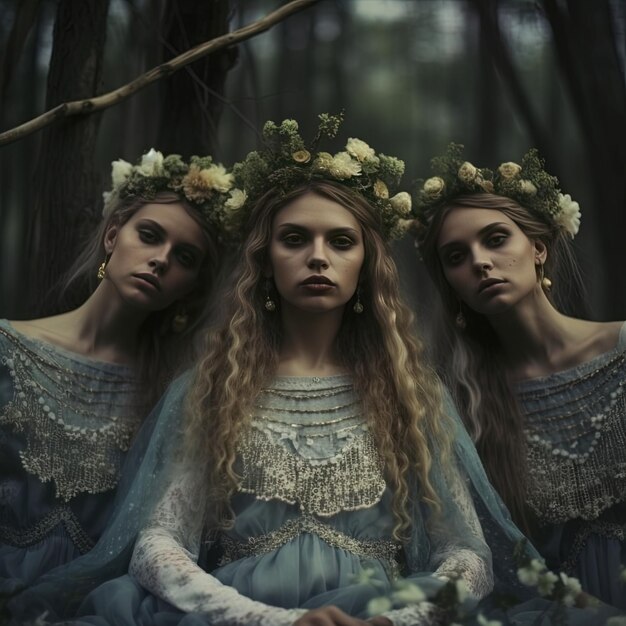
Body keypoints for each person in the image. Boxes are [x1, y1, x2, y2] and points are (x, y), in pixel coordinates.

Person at [8, 116, 551, 626]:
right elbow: (157, 545)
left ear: (367, 265)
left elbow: (468, 553)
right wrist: (272, 619)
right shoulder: (211, 387)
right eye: (295, 239)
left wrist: (400, 618)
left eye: (340, 241)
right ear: (265, 259)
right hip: (241, 612)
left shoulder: (412, 390)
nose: (318, 257)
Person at [0, 149, 234, 593]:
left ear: (192, 287)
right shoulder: (7, 347)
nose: (161, 259)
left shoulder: (175, 391)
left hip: (105, 601)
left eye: (184, 257)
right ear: (112, 236)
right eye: (149, 235)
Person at [412, 143, 626, 609]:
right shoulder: (464, 402)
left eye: (495, 239)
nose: (479, 262)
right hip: (556, 613)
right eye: (455, 256)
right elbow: (482, 552)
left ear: (539, 248)